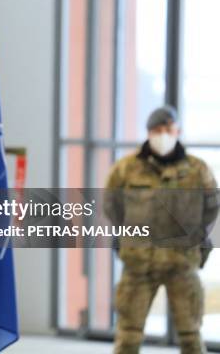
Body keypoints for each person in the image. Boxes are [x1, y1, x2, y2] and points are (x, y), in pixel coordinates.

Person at [104, 105, 218, 354]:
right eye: (157, 129)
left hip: (182, 262)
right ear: (148, 132)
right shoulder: (126, 169)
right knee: (128, 335)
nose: (163, 134)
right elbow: (112, 206)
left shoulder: (197, 170)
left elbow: (211, 207)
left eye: (168, 128)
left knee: (191, 336)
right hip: (138, 264)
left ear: (178, 130)